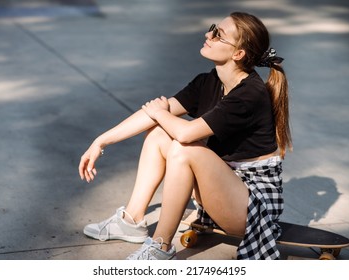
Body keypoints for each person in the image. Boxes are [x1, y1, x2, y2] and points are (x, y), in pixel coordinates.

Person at [78, 11, 292, 260]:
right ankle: (131, 220)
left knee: (183, 145)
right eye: (213, 28)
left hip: (252, 207)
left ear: (238, 53)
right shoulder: (209, 82)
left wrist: (160, 113)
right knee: (160, 133)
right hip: (224, 187)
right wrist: (100, 141)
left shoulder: (249, 95)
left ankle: (161, 246)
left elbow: (185, 132)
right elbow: (154, 115)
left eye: (217, 34)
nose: (207, 35)